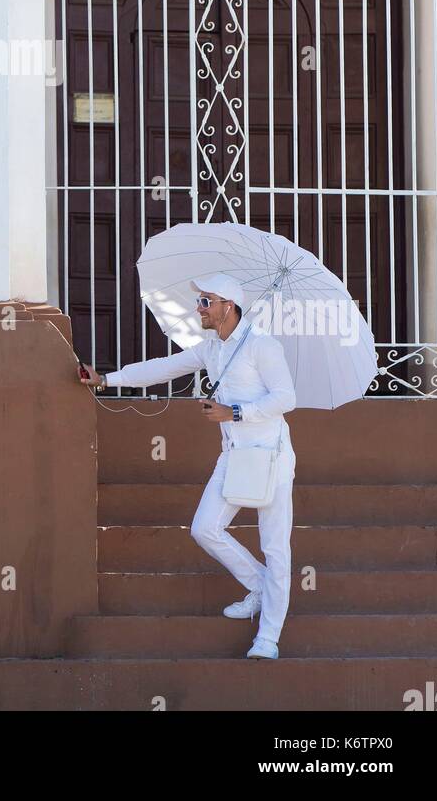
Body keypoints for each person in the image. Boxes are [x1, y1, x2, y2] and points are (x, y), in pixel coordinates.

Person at [79, 272, 297, 660]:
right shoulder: (211, 348)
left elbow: (286, 398)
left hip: (271, 455)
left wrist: (235, 412)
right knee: (204, 528)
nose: (199, 308)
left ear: (228, 307)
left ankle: (269, 637)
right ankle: (261, 588)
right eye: (200, 301)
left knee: (274, 547)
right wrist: (106, 379)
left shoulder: (262, 346)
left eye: (206, 301)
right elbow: (164, 367)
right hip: (234, 455)